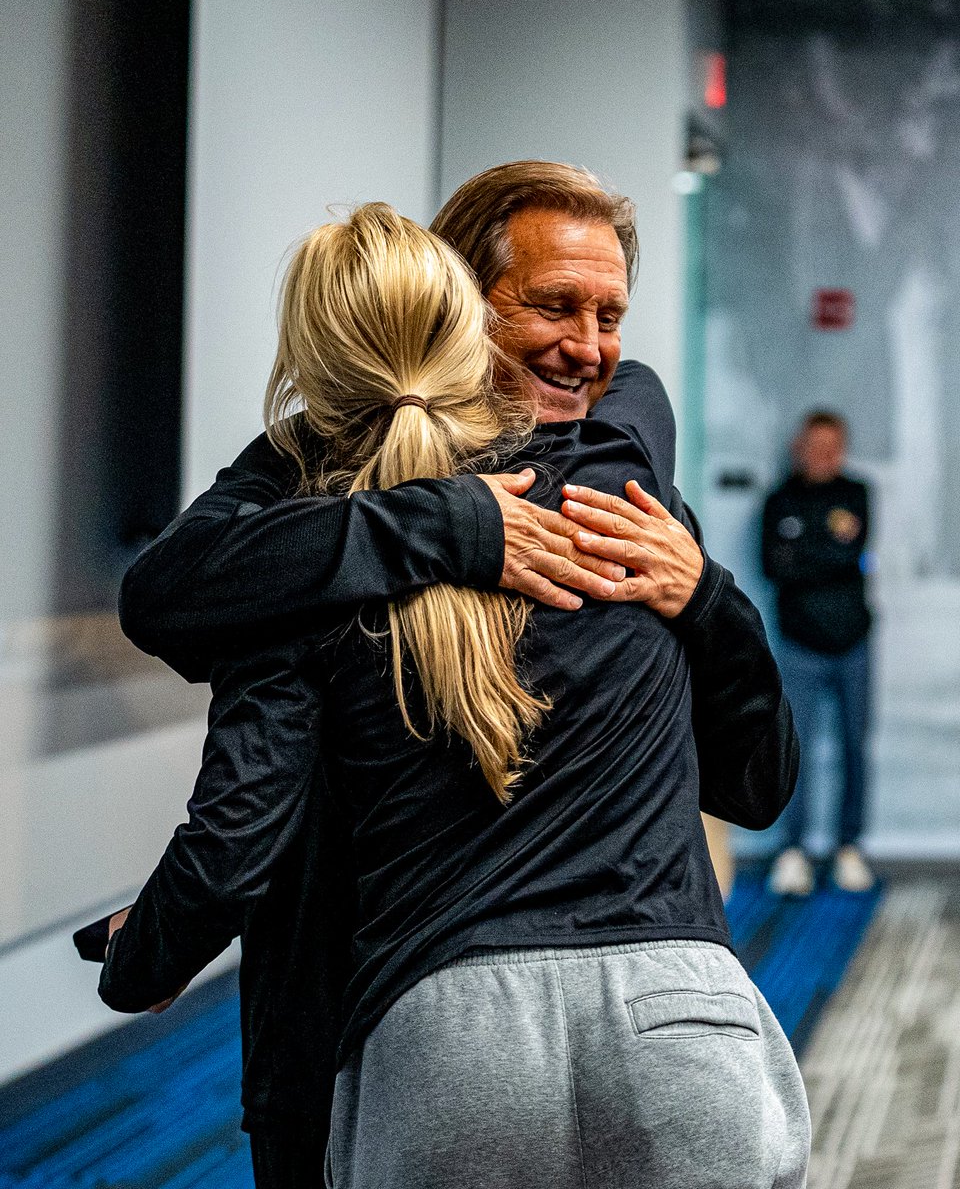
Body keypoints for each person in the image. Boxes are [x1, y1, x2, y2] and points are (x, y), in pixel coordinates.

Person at [105, 165, 806, 1185]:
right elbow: (168, 591)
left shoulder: (620, 475)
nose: (590, 347)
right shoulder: (325, 500)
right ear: (455, 298)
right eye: (553, 306)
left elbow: (234, 822)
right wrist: (455, 525)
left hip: (438, 1036)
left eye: (610, 314)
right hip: (450, 1020)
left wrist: (705, 595)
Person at [762, 409, 874, 896]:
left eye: (832, 447)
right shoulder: (779, 500)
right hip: (798, 646)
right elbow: (773, 567)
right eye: (815, 446)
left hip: (853, 644)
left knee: (853, 746)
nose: (823, 456)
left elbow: (852, 556)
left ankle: (849, 847)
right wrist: (825, 554)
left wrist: (805, 554)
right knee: (795, 750)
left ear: (842, 450)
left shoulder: (856, 494)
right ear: (799, 448)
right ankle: (794, 851)